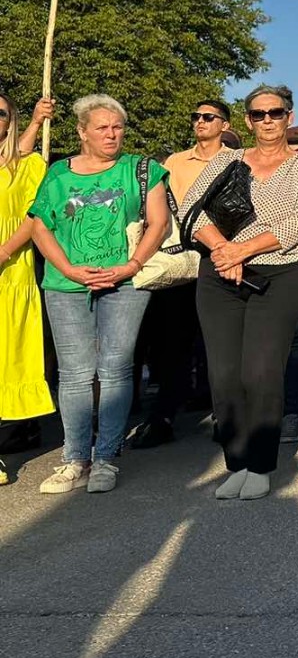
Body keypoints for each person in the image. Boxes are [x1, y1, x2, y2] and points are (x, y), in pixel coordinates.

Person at [181, 86, 298, 501]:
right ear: (246, 120)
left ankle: (261, 463)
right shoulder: (226, 160)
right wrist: (222, 252)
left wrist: (240, 249)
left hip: (279, 276)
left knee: (260, 371)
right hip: (219, 274)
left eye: (275, 113)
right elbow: (192, 210)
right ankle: (237, 461)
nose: (267, 120)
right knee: (223, 375)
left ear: (288, 116)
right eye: (258, 113)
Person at [27, 94, 171, 494]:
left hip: (124, 281)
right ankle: (75, 458)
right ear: (82, 132)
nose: (111, 134)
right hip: (66, 284)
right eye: (102, 127)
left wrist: (132, 265)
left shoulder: (141, 169)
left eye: (117, 126)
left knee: (115, 368)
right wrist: (69, 269)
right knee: (74, 373)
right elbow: (39, 226)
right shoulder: (58, 173)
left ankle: (106, 456)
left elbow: (158, 223)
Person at [131, 99, 232, 451]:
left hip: (221, 254)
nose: (200, 122)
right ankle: (163, 417)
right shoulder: (174, 162)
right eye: (196, 117)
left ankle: (225, 413)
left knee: (220, 342)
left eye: (208, 117)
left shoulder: (237, 159)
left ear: (224, 124)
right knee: (170, 344)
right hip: (179, 260)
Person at [0, 91, 57, 486]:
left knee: (7, 363)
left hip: (10, 276)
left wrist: (3, 250)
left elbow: (34, 215)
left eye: (1, 113)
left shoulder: (27, 165)